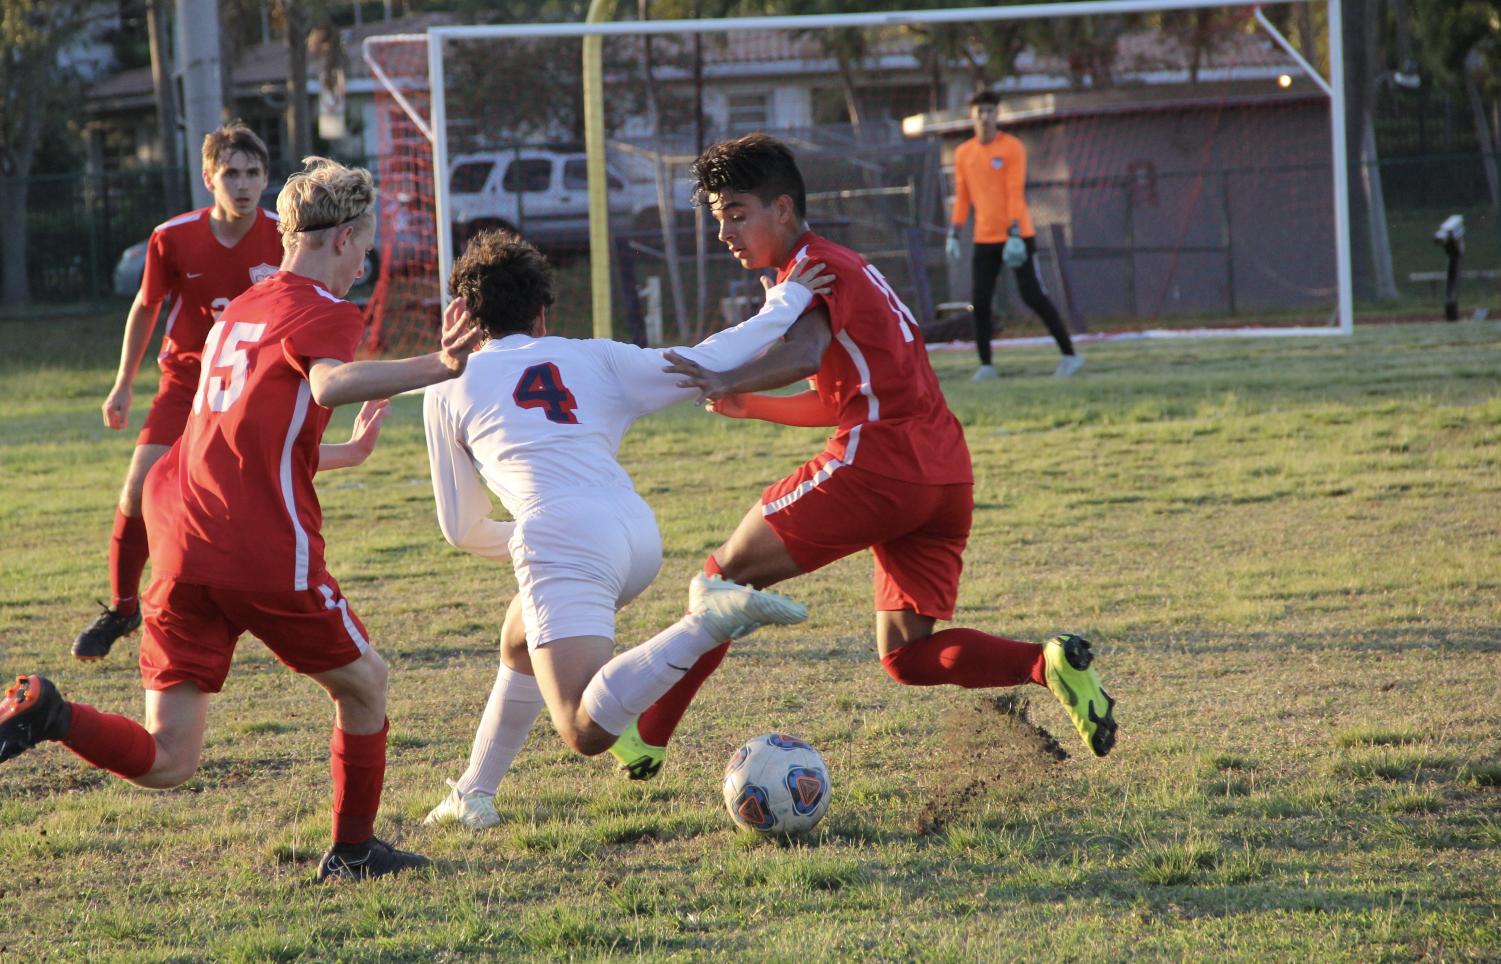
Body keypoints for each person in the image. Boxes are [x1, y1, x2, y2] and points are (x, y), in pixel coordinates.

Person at [0, 157, 486, 881]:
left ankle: (51, 715)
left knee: (169, 760)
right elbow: (329, 383)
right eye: (365, 246)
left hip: (179, 536)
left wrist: (341, 458)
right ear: (343, 237)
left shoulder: (246, 305)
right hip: (253, 549)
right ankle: (354, 850)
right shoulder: (325, 309)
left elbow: (246, 436)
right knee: (366, 684)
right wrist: (439, 366)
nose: (365, 263)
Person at [604, 133, 1116, 781]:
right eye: (716, 218)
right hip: (942, 473)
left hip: (880, 466)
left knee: (723, 580)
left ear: (782, 209)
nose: (724, 232)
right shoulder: (847, 264)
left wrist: (723, 378)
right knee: (906, 657)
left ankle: (645, 736)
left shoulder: (812, 273)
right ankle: (1045, 664)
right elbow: (837, 397)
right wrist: (751, 406)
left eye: (736, 213)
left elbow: (801, 356)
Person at [419, 229, 830, 829]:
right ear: (541, 313)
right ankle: (472, 793)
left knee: (582, 729)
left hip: (565, 535)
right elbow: (710, 356)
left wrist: (540, 546)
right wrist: (786, 302)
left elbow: (461, 528)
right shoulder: (595, 356)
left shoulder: (446, 382)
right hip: (635, 530)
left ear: (466, 318)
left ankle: (706, 622)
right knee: (519, 638)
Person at [75, 124, 287, 661]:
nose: (242, 184)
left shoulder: (286, 236)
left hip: (254, 386)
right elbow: (146, 307)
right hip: (186, 383)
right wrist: (123, 384)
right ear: (208, 178)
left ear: (266, 177)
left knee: (256, 501)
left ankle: (271, 605)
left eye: (253, 173)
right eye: (230, 173)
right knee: (136, 491)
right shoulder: (173, 236)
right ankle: (123, 608)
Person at [946, 89, 1084, 380]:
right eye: (980, 111)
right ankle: (986, 365)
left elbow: (1013, 191)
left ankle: (1070, 355)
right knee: (980, 301)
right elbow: (962, 197)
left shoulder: (1012, 147)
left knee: (1032, 295)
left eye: (990, 111)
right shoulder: (964, 153)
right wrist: (954, 233)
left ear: (997, 114)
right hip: (984, 238)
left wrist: (1014, 233)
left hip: (1017, 236)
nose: (985, 117)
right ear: (972, 115)